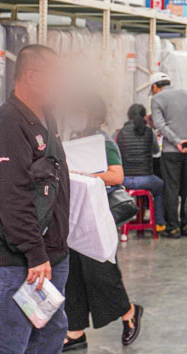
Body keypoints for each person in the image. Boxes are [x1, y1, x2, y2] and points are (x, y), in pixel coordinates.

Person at [0, 45, 71, 354]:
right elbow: (12, 196)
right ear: (31, 77)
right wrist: (35, 253)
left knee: (48, 336)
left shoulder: (45, 115)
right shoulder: (9, 123)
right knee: (8, 342)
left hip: (51, 252)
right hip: (22, 257)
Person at [63, 95, 143, 351]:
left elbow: (117, 176)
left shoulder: (103, 142)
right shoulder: (71, 140)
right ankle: (75, 330)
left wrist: (85, 174)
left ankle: (129, 311)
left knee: (101, 270)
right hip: (74, 214)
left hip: (97, 213)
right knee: (73, 272)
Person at [150, 71, 187, 238]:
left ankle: (173, 227)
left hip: (171, 152)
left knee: (171, 189)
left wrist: (177, 142)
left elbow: (160, 125)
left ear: (155, 86)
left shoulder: (157, 99)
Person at [117, 104, 165, 232]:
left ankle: (120, 223)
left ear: (128, 116)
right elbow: (156, 151)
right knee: (160, 186)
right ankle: (159, 223)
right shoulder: (149, 132)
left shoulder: (119, 132)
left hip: (125, 180)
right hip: (146, 179)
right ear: (144, 116)